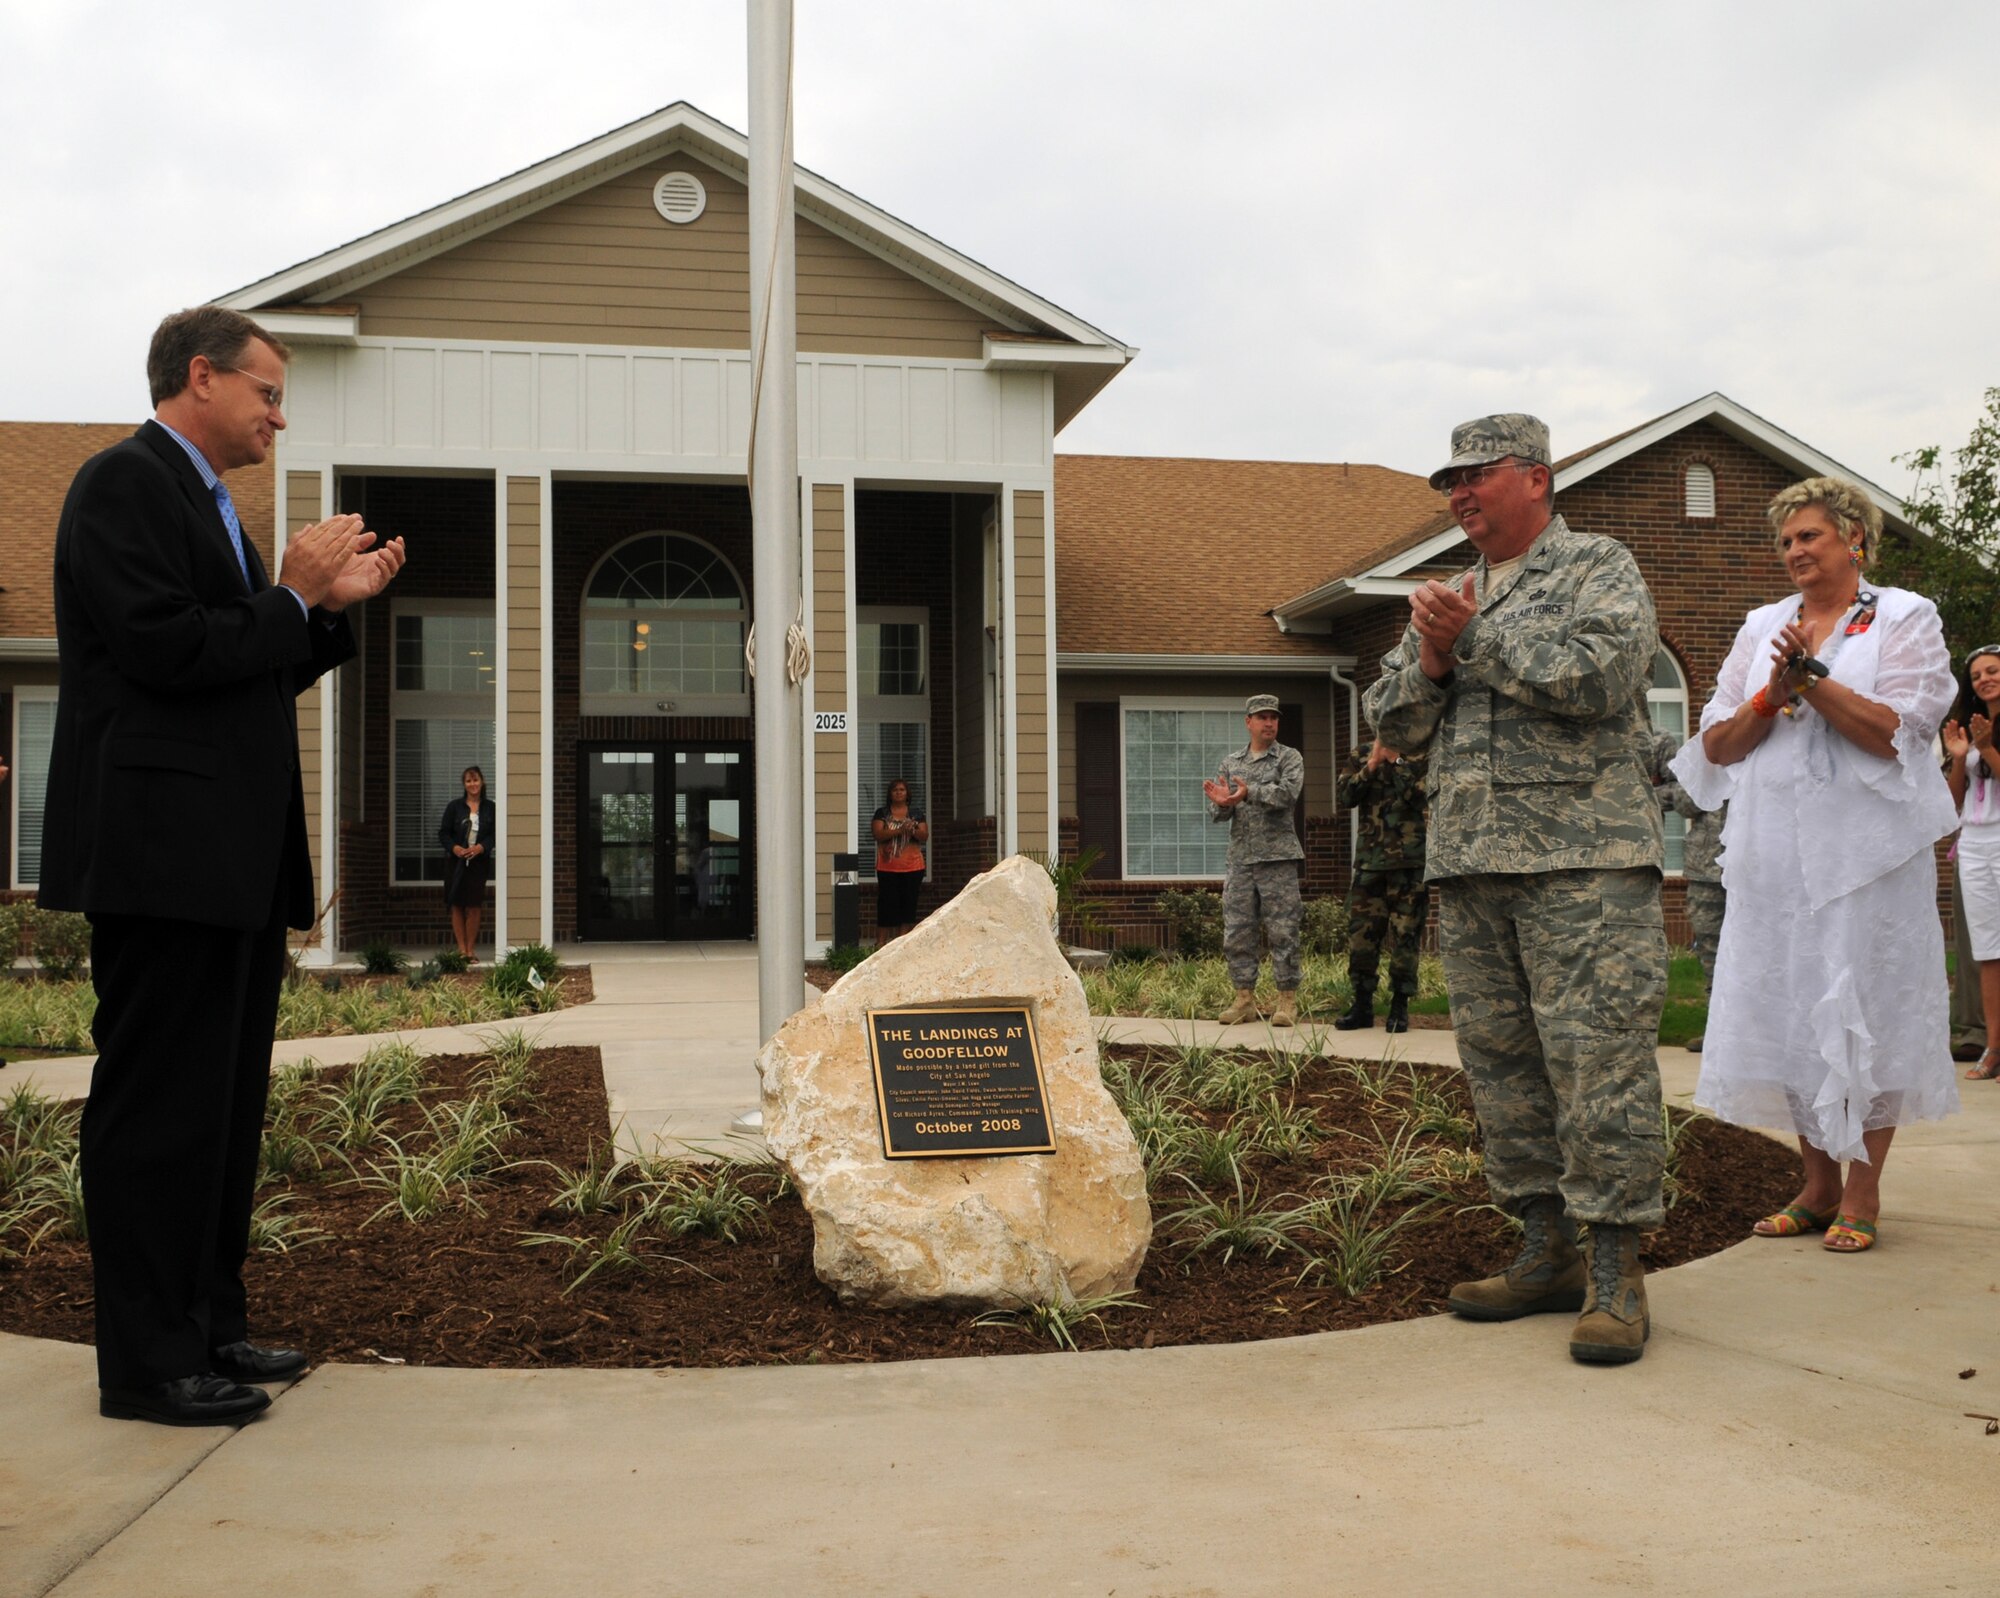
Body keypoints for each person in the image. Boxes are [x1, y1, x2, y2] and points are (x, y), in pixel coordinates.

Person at [39, 307, 406, 1426]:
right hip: (160, 862)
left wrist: (320, 615)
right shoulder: (122, 486)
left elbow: (234, 668)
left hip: (230, 868)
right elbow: (164, 649)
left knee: (223, 1106)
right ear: (200, 376)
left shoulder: (212, 507)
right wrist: (287, 596)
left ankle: (206, 1323)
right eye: (267, 392)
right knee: (159, 1109)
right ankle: (147, 1364)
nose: (277, 416)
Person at [1364, 413, 1667, 1365]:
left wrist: (1475, 643)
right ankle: (1548, 1253)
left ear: (1535, 478)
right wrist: (1437, 657)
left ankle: (1617, 1272)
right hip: (1473, 864)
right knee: (1503, 1070)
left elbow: (1603, 677)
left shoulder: (1598, 568)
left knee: (1598, 1064)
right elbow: (1392, 722)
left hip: (1584, 864)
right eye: (1447, 481)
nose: (1458, 494)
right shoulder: (1450, 596)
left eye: (1475, 475)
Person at [1672, 476, 1959, 1254]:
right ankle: (1815, 1187)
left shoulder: (1903, 617)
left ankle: (1861, 1195)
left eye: (1810, 536)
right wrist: (1771, 693)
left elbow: (1898, 732)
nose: (1796, 551)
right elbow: (1717, 746)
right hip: (1776, 857)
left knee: (1872, 1012)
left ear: (1854, 538)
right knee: (1796, 1009)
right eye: (1787, 541)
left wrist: (1815, 680)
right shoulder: (1763, 624)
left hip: (1868, 860)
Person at [1204, 694, 1306, 1026]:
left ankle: (1286, 1002)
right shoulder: (1231, 763)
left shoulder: (1288, 758)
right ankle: (1244, 999)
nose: (1269, 723)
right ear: (1248, 722)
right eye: (1262, 717)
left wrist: (1251, 792)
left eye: (1273, 717)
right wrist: (1223, 803)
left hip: (1278, 860)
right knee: (1237, 932)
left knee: (1283, 931)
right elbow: (1218, 813)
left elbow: (1287, 795)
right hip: (1241, 861)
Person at [1333, 738, 1427, 1033]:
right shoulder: (1359, 755)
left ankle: (1400, 1005)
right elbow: (1345, 797)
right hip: (1369, 864)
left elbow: (1420, 797)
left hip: (1409, 865)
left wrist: (1397, 761)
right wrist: (1371, 765)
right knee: (1361, 938)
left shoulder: (1419, 753)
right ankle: (1362, 1005)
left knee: (1405, 937)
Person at [1942, 644, 2000, 1079]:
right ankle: (1993, 1048)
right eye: (1978, 674)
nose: (1985, 679)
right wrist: (1962, 757)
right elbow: (1953, 801)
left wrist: (1989, 749)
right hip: (1975, 842)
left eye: (1993, 671)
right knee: (1987, 951)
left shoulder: (1986, 734)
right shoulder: (1972, 728)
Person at [1649, 730, 1725, 1052]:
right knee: (1717, 956)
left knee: (1715, 956)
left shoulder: (1715, 753)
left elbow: (1688, 801)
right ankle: (1723, 1034)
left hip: (1714, 867)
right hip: (1722, 867)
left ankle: (1722, 1035)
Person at [438, 765, 496, 961]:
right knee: (456, 904)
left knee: (474, 906)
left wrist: (481, 847)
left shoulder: (490, 807)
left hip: (478, 863)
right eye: (469, 781)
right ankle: (461, 950)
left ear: (482, 782)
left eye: (476, 780)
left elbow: (494, 835)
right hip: (455, 863)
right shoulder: (454, 807)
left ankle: (471, 950)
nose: (473, 784)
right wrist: (454, 848)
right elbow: (443, 833)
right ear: (464, 784)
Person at [870, 777, 928, 947]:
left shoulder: (916, 814)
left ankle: (900, 943)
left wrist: (913, 830)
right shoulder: (882, 814)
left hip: (913, 867)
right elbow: (878, 834)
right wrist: (899, 830)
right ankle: (881, 943)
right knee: (887, 904)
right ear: (890, 794)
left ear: (907, 793)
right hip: (888, 867)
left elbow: (924, 836)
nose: (898, 793)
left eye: (902, 790)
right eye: (895, 790)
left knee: (908, 904)